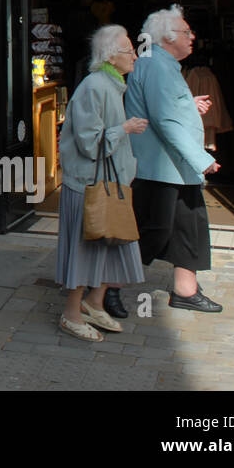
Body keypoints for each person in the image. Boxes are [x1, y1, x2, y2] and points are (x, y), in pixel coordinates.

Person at [55, 25, 149, 341]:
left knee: (113, 246)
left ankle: (94, 303)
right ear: (110, 55)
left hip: (109, 185)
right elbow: (88, 142)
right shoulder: (95, 86)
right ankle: (71, 314)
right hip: (90, 187)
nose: (134, 54)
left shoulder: (113, 85)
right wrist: (124, 128)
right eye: (128, 50)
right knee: (85, 250)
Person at [125, 6, 221, 312]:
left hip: (174, 169)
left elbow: (165, 108)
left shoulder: (163, 65)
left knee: (188, 227)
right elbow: (165, 119)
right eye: (186, 31)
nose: (192, 37)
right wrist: (201, 158)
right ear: (167, 37)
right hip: (161, 169)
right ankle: (100, 286)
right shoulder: (156, 65)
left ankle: (185, 290)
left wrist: (189, 105)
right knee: (151, 232)